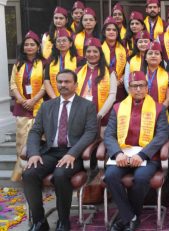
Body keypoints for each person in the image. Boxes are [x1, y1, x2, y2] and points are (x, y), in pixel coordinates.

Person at [23, 69, 98, 231]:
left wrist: (73, 154)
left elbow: (91, 132)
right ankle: (39, 221)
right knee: (29, 173)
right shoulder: (47, 106)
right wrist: (34, 153)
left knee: (61, 174)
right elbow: (35, 131)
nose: (63, 85)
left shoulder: (87, 106)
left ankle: (63, 221)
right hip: (51, 152)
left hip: (74, 153)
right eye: (60, 82)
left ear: (76, 85)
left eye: (67, 82)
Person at [104, 71, 169, 231]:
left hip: (147, 156)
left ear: (147, 88)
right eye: (134, 86)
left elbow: (162, 134)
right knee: (110, 176)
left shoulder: (158, 108)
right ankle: (131, 217)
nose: (138, 89)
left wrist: (142, 155)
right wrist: (118, 153)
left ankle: (127, 217)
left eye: (141, 86)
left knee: (140, 178)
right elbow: (109, 134)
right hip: (122, 154)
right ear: (129, 88)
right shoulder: (118, 107)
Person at [9, 31, 46, 182]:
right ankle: (21, 174)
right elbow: (13, 84)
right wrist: (22, 100)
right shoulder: (18, 64)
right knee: (21, 141)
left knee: (38, 140)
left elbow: (46, 84)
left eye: (32, 44)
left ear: (38, 47)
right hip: (22, 107)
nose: (29, 47)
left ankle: (35, 172)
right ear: (23, 47)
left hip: (39, 107)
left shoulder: (44, 63)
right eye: (26, 44)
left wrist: (33, 100)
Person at [75, 38, 117, 127]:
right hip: (79, 116)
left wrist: (99, 116)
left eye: (95, 51)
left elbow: (112, 96)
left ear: (100, 54)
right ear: (85, 54)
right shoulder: (78, 71)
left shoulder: (110, 71)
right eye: (88, 51)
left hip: (102, 118)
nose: (92, 54)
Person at [44, 28, 78, 99]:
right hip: (54, 98)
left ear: (71, 43)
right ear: (55, 45)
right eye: (58, 41)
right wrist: (55, 98)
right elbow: (46, 81)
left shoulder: (79, 60)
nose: (61, 43)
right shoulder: (50, 61)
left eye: (64, 41)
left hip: (75, 98)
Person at [101, 16, 128, 102]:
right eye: (108, 30)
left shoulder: (124, 49)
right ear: (104, 32)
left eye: (114, 30)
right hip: (103, 86)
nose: (111, 32)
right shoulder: (97, 48)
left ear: (117, 32)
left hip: (120, 88)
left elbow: (127, 68)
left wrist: (122, 79)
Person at [141, 41, 169, 108]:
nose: (153, 56)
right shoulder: (140, 74)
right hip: (143, 110)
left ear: (161, 59)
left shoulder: (167, 75)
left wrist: (162, 108)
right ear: (145, 58)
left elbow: (168, 98)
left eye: (157, 54)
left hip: (161, 110)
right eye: (150, 53)